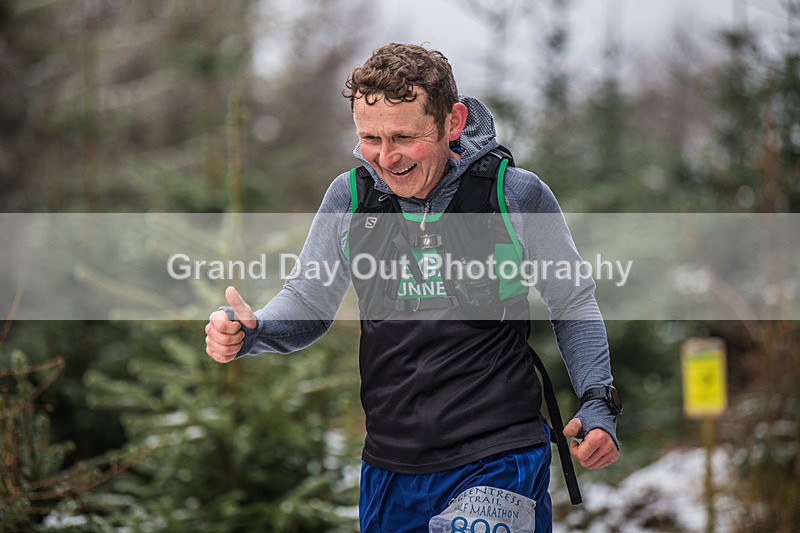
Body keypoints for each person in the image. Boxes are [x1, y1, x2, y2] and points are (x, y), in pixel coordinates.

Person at [204, 43, 620, 532]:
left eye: (403, 136)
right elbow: (310, 301)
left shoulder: (512, 194)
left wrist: (598, 400)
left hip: (497, 455)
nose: (385, 157)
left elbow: (570, 300)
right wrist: (255, 331)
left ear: (453, 122)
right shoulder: (351, 197)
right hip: (390, 466)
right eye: (370, 139)